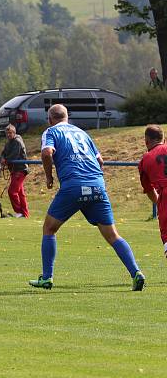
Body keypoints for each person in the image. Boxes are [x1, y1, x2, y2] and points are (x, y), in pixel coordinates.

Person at [29, 104, 145, 291]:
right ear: (67, 117)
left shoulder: (51, 132)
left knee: (49, 229)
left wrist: (49, 177)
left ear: (50, 119)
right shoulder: (83, 133)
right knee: (112, 235)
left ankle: (47, 278)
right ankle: (136, 273)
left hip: (73, 186)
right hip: (97, 186)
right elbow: (100, 161)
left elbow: (46, 153)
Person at [138, 124, 167, 256]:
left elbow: (149, 190)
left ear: (146, 141)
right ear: (164, 139)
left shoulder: (145, 160)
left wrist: (159, 202)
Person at [0, 124, 29, 218]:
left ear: (14, 132)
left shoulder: (17, 141)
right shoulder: (8, 142)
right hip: (14, 169)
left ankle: (19, 212)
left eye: (10, 133)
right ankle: (25, 214)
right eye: (7, 133)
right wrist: (3, 158)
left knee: (12, 191)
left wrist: (5, 160)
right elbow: (3, 153)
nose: (8, 135)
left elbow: (14, 155)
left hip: (20, 169)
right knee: (20, 193)